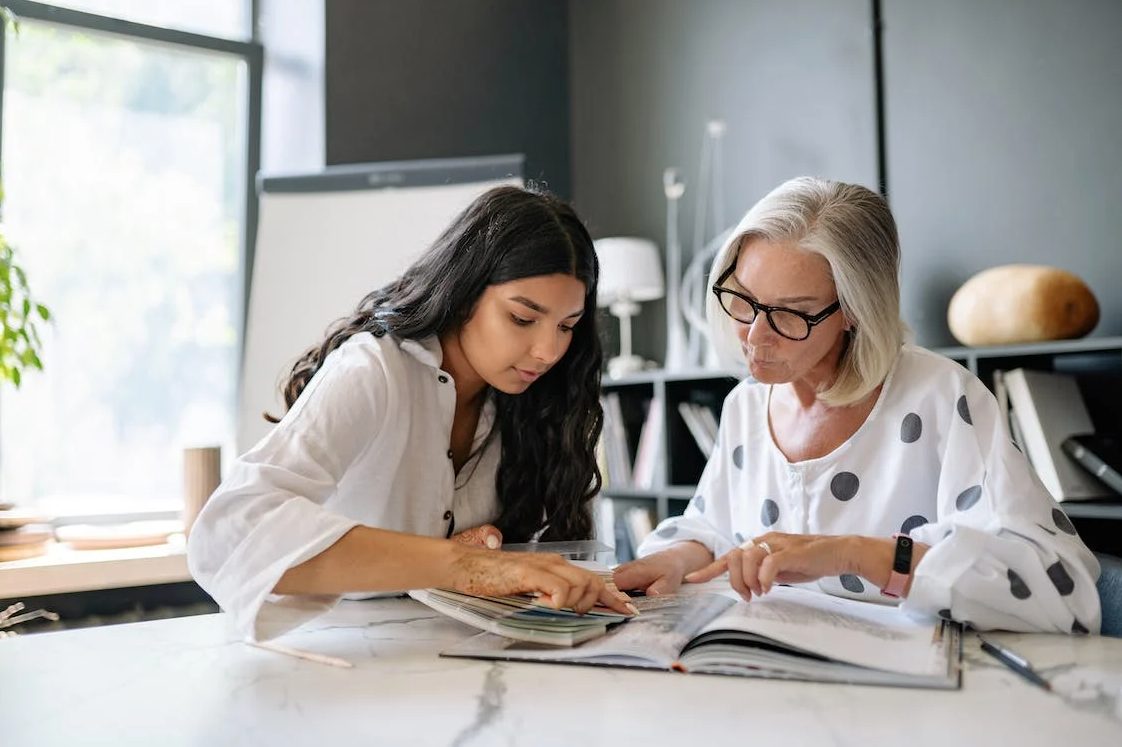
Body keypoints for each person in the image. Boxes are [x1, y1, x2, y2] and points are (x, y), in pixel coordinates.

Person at [614, 176, 1102, 634]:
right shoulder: (745, 404)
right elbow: (716, 528)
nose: (755, 337)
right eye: (742, 300)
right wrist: (678, 557)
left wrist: (850, 554)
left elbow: (1062, 588)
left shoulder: (940, 396)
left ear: (854, 310)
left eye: (790, 314)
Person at [188, 185, 636, 640]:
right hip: (340, 661)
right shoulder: (374, 371)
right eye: (522, 319)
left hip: (459, 660)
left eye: (567, 327)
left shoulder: (539, 403)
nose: (548, 352)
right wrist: (459, 565)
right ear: (464, 293)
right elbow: (227, 534)